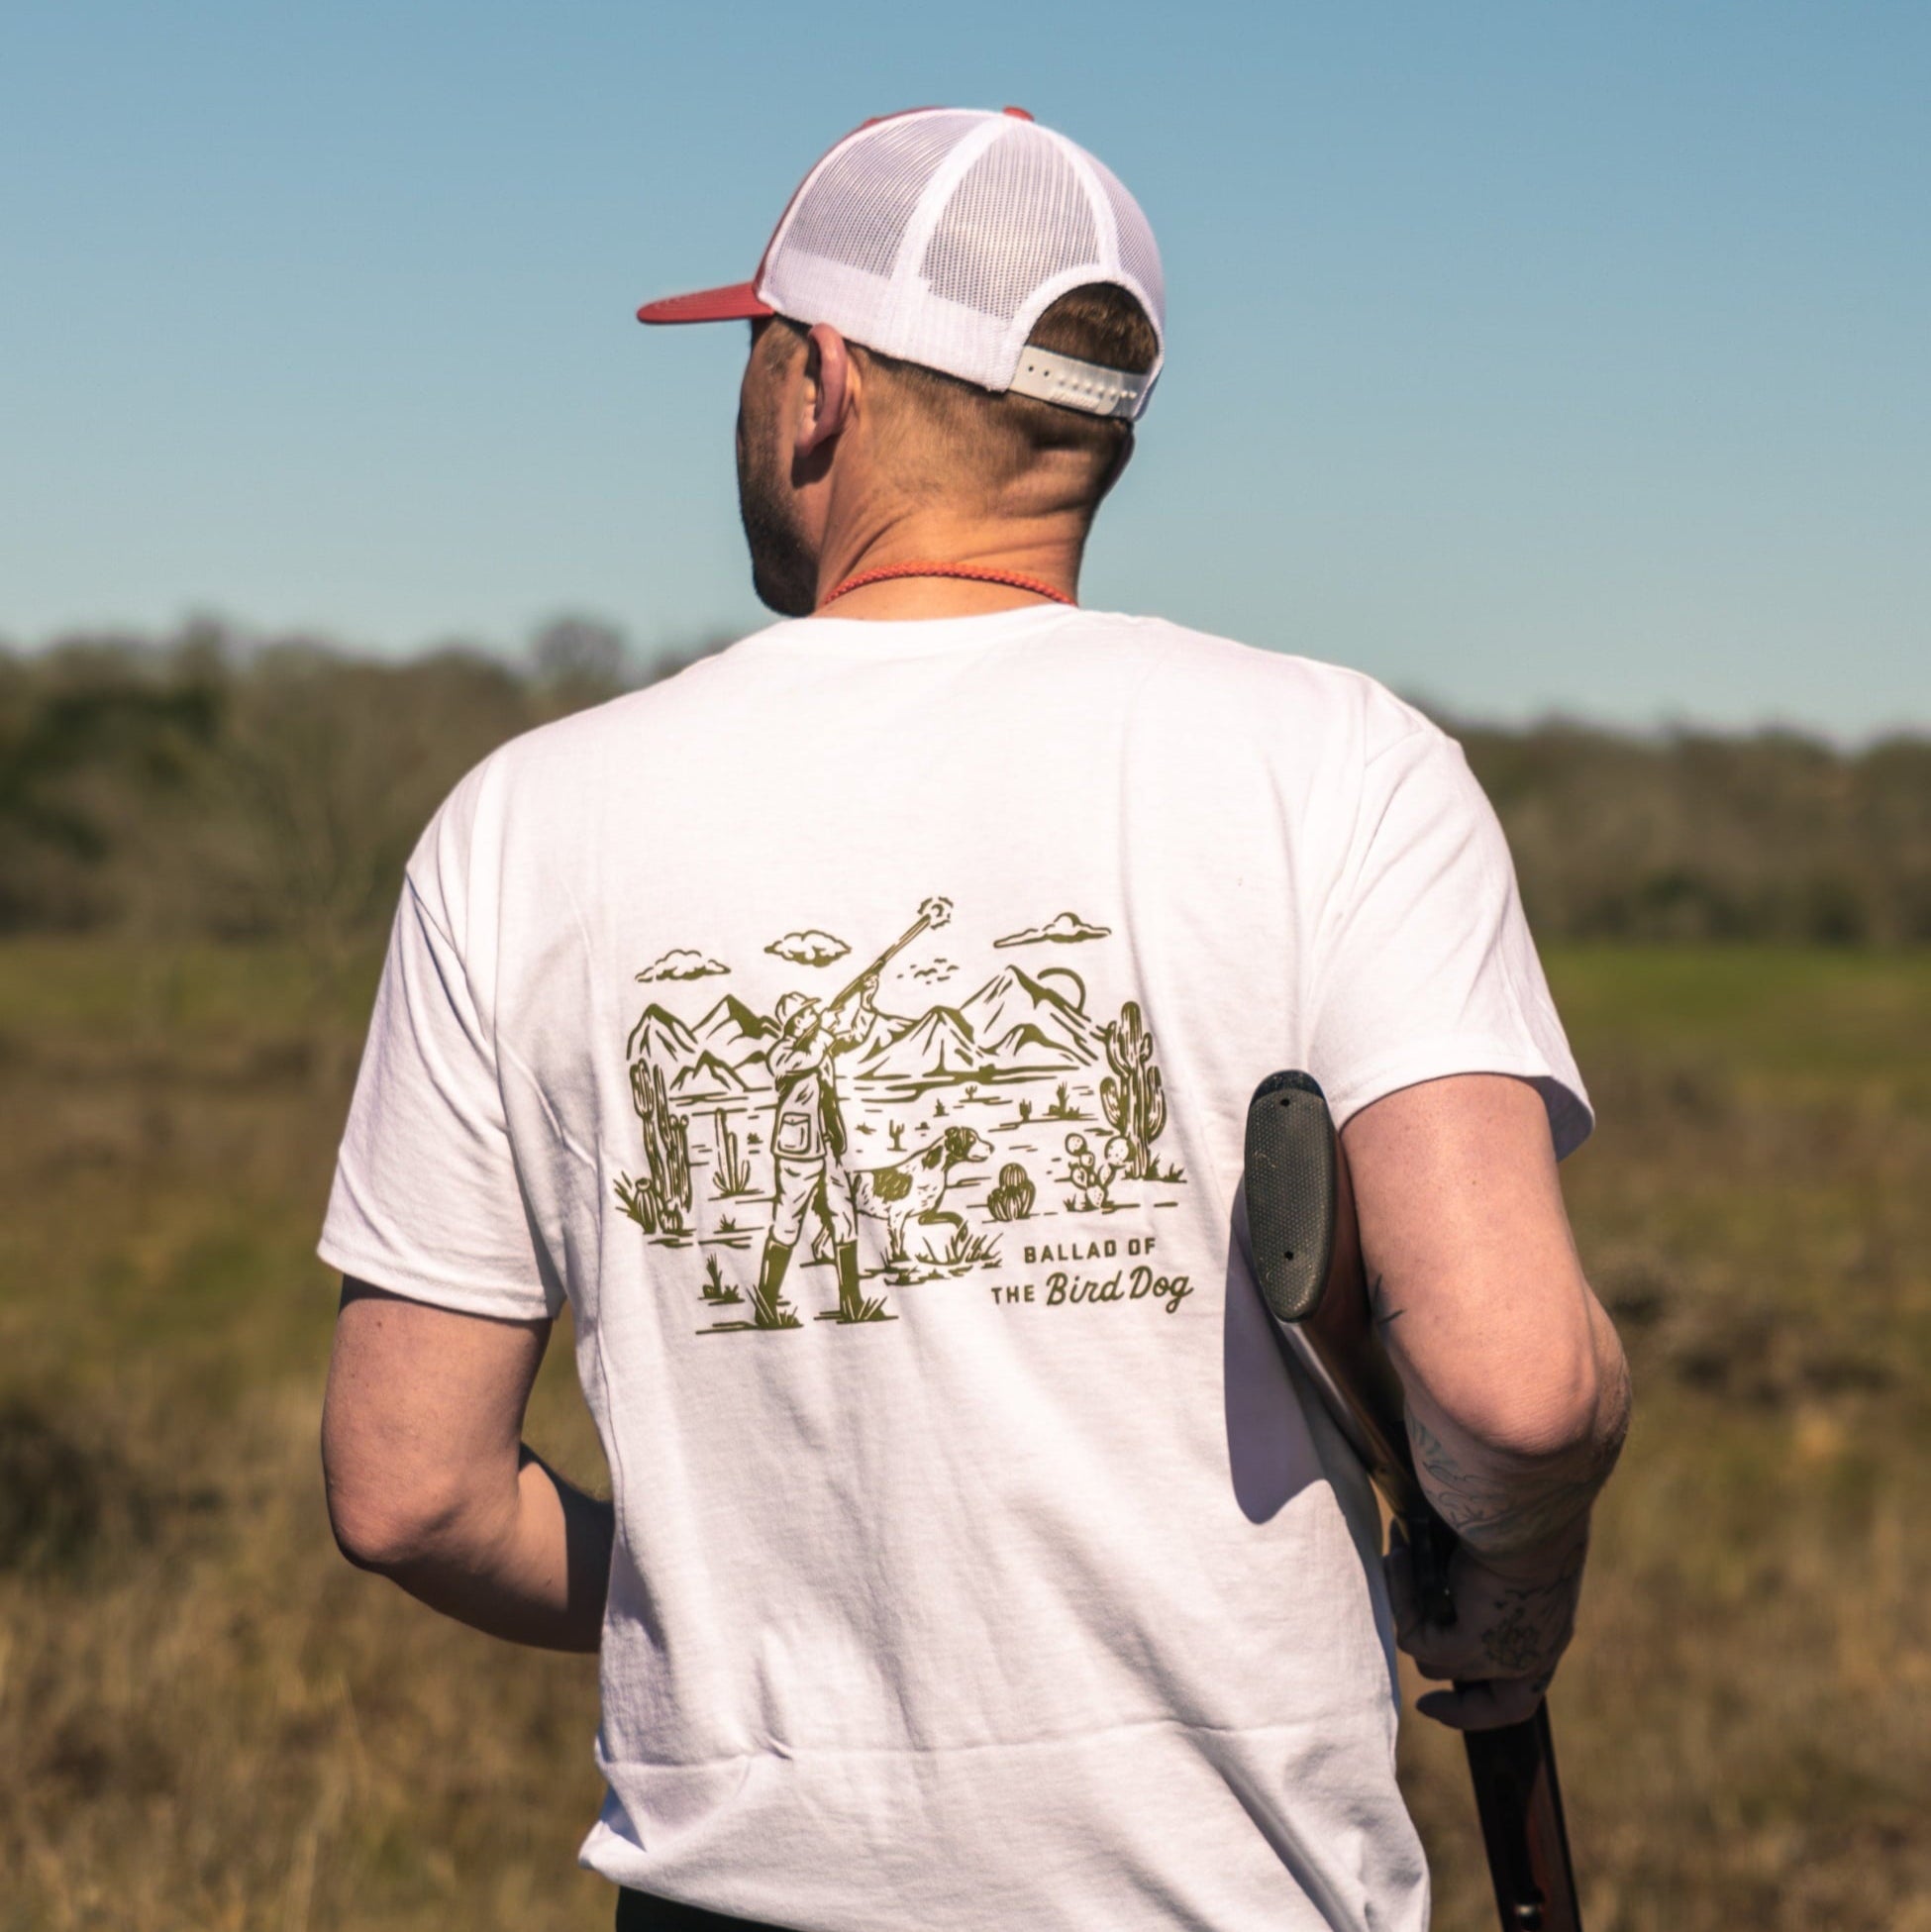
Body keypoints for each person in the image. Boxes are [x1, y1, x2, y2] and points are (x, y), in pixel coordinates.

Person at [319, 107, 1631, 1931]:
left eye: (757, 356)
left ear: (818, 386)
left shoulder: (526, 824)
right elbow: (1520, 1385)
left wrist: (717, 1596)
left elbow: (405, 1491)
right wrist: (1516, 1579)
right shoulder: (1345, 769)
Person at [756, 977, 876, 1325]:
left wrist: (865, 1001)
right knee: (787, 1224)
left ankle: (852, 1303)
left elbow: (855, 1037)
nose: (814, 1013)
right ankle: (766, 1303)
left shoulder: (819, 1045)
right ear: (795, 1022)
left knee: (845, 1223)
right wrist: (823, 1032)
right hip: (797, 1154)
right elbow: (802, 1060)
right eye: (808, 1012)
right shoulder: (783, 1052)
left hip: (828, 1148)